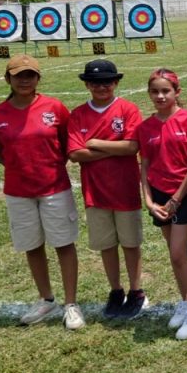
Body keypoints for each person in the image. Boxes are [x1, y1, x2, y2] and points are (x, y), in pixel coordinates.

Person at [0, 55, 84, 330]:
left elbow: (65, 144)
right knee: (32, 245)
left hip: (54, 187)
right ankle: (47, 299)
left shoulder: (54, 107)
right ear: (8, 79)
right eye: (18, 75)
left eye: (30, 75)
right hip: (18, 191)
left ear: (38, 78)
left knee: (63, 243)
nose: (24, 80)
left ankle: (71, 304)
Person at [67, 59, 145, 319]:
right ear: (87, 84)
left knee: (130, 243)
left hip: (125, 189)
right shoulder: (78, 114)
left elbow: (132, 147)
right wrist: (114, 148)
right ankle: (116, 290)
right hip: (96, 192)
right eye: (96, 83)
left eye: (108, 82)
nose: (102, 87)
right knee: (107, 245)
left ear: (117, 82)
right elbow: (76, 154)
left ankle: (136, 291)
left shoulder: (127, 109)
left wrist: (96, 143)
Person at [138, 68, 187, 340]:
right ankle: (185, 301)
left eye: (165, 91)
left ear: (177, 92)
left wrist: (176, 198)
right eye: (154, 91)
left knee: (179, 254)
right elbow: (144, 165)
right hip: (159, 197)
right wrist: (148, 201)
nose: (160, 96)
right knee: (173, 254)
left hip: (184, 195)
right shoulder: (145, 127)